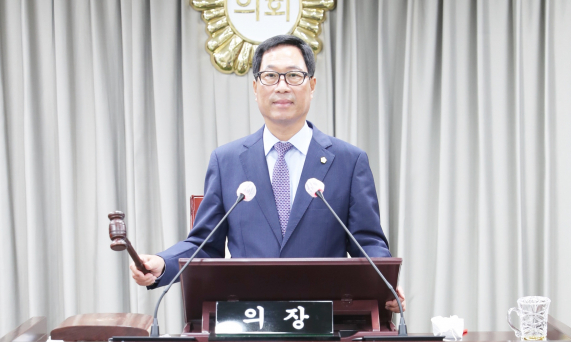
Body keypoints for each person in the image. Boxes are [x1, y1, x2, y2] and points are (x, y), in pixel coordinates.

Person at [130, 35, 405, 313]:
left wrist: (386, 283)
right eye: (270, 76)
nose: (282, 86)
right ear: (255, 87)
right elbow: (205, 244)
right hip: (248, 318)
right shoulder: (226, 161)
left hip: (325, 318)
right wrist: (163, 263)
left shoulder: (349, 161)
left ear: (312, 85)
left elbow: (366, 242)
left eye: (294, 76)